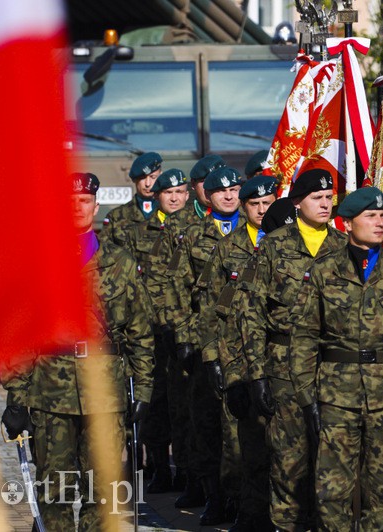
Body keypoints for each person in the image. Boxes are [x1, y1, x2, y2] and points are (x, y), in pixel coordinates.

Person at [1, 172, 154, 531]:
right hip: (50, 392)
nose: (77, 207)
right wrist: (16, 396)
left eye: (84, 201)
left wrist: (143, 389)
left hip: (106, 391)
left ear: (96, 206)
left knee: (102, 489)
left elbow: (140, 332)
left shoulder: (120, 263)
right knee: (54, 488)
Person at [289, 186, 383, 531]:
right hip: (336, 396)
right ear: (348, 223)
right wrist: (307, 397)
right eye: (371, 216)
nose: (380, 223)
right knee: (331, 489)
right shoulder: (324, 272)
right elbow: (304, 337)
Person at [241, 168, 346, 531]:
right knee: (289, 459)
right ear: (298, 203)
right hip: (283, 368)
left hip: (332, 368)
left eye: (329, 198)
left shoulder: (343, 246)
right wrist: (255, 373)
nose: (325, 204)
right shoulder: (273, 246)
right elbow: (250, 312)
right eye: (317, 198)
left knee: (333, 459)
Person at [198, 177, 287, 532]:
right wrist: (212, 358)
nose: (263, 210)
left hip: (280, 359)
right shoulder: (228, 247)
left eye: (269, 203)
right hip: (237, 355)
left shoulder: (286, 246)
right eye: (255, 204)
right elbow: (210, 307)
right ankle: (246, 510)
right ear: (245, 207)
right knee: (243, 443)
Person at [163, 165, 245, 524]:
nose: (229, 196)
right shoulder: (192, 235)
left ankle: (243, 500)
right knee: (207, 422)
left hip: (244, 343)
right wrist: (183, 337)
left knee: (241, 428)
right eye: (221, 192)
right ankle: (213, 495)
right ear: (207, 197)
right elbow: (177, 291)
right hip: (204, 342)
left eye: (234, 190)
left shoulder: (254, 232)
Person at [125, 168, 192, 494]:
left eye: (180, 192)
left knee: (183, 407)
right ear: (158, 197)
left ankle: (184, 471)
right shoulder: (142, 231)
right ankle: (159, 468)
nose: (175, 198)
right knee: (153, 403)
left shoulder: (197, 230)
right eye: (169, 193)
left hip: (180, 334)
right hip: (150, 334)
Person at [100, 151, 162, 246]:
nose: (148, 183)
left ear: (161, 176)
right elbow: (103, 251)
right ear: (134, 180)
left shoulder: (171, 214)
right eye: (142, 178)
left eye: (153, 177)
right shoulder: (116, 217)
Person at [189, 154, 226, 219]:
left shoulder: (245, 216)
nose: (210, 186)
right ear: (193, 184)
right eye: (204, 181)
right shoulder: (176, 219)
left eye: (217, 181)